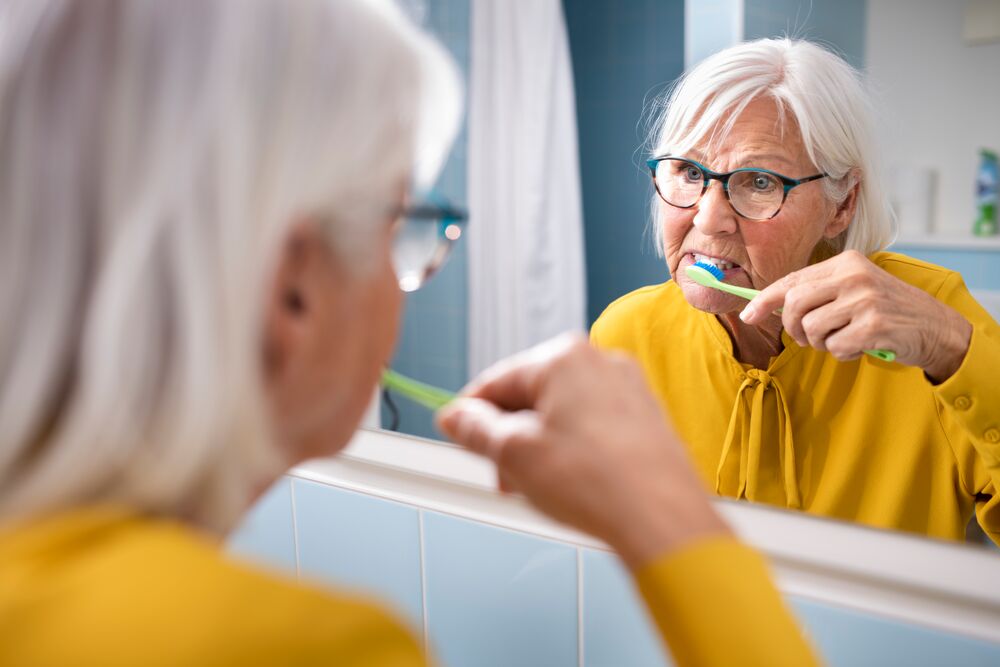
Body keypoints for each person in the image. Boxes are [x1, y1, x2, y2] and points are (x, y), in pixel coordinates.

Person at [0, 1, 816, 665]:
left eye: (755, 182)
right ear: (292, 291)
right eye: (408, 225)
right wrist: (674, 524)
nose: (710, 214)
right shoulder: (305, 647)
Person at [591, 38, 1000, 544]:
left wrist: (953, 349)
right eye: (690, 172)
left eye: (759, 182)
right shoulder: (627, 334)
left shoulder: (933, 320)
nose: (709, 219)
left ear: (842, 204)